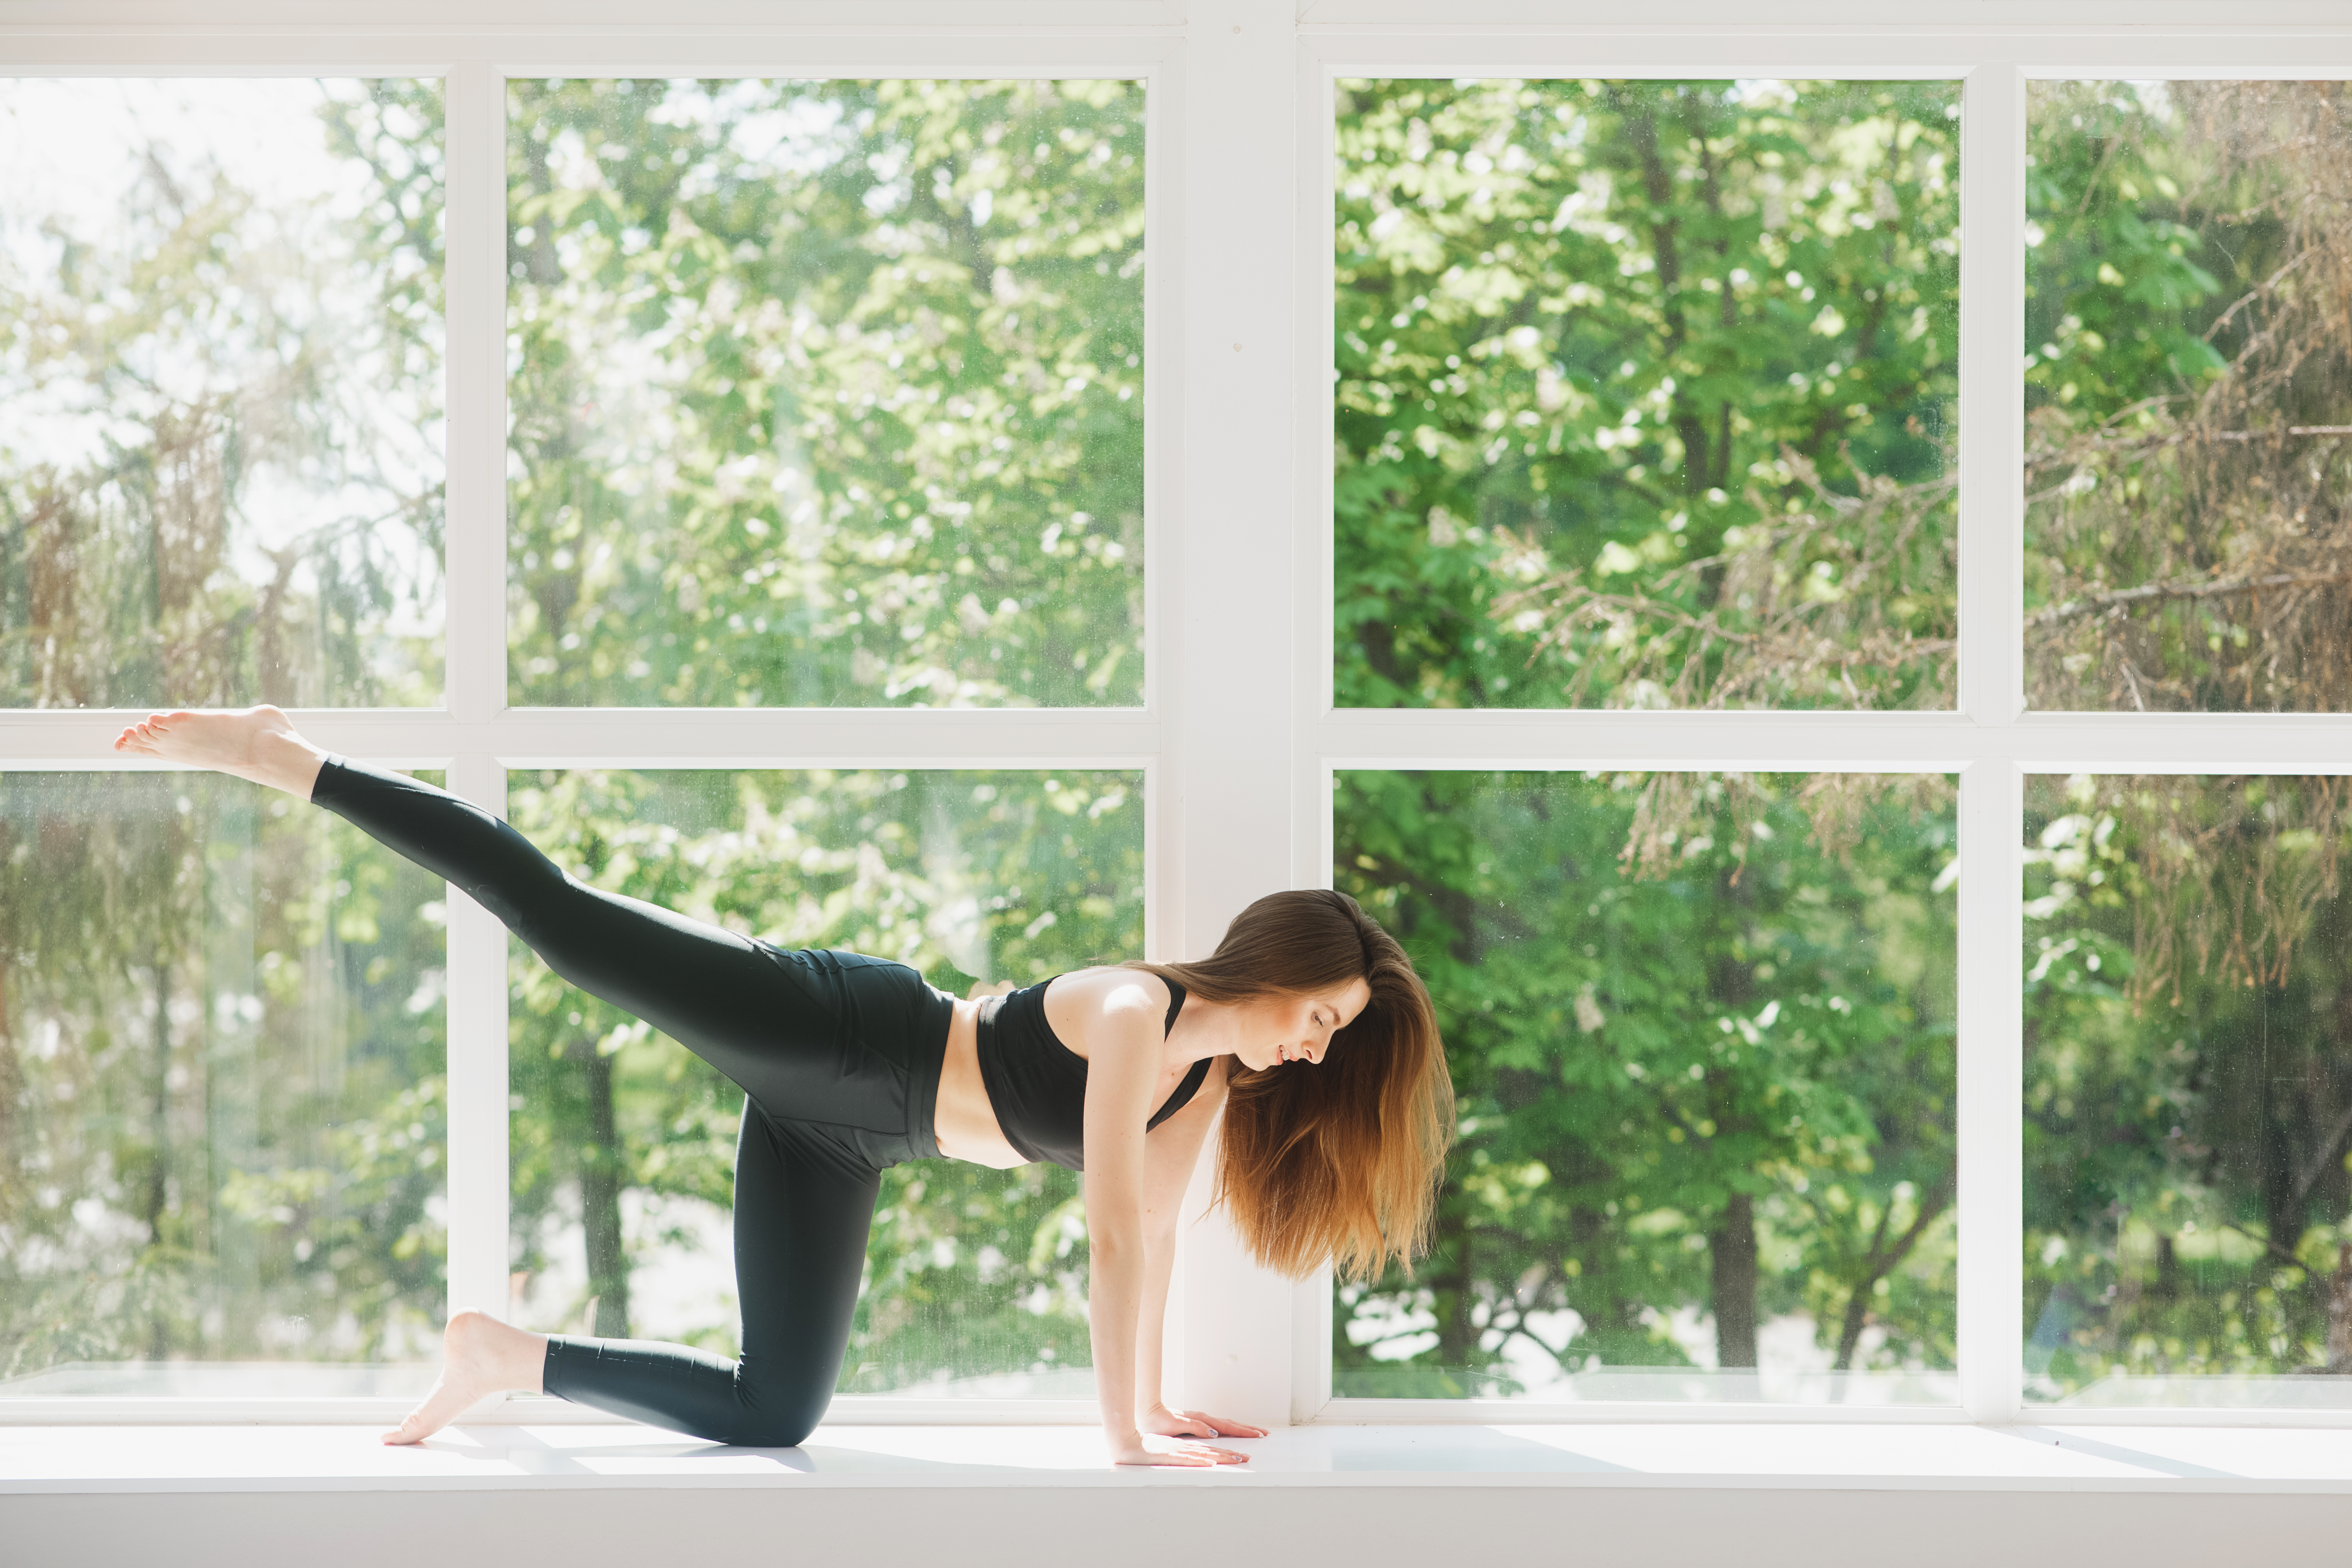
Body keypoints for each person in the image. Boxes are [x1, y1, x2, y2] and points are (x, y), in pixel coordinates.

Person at [110, 705, 1455, 1467]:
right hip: (844, 1037)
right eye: (1320, 1015)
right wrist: (1124, 1445)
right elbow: (1104, 1230)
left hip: (852, 1143)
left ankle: (499, 1356)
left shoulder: (1202, 1086)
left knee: (778, 1413)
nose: (1315, 1047)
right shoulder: (1135, 1010)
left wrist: (1158, 1403)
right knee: (561, 919)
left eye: (1336, 1038)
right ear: (1277, 963)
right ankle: (287, 758)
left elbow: (1156, 1241)